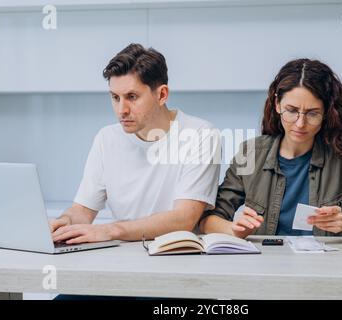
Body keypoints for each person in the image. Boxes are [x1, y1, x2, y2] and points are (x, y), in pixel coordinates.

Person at [199, 58, 342, 238]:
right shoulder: (250, 153)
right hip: (266, 269)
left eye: (312, 114)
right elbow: (208, 220)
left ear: (327, 112)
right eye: (292, 111)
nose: (300, 123)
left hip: (328, 269)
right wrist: (233, 229)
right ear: (277, 105)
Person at [49, 43, 220, 244]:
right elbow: (83, 211)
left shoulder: (200, 135)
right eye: (115, 98)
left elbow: (184, 218)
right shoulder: (106, 138)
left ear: (162, 95)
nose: (122, 110)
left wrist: (111, 230)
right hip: (125, 256)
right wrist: (64, 222)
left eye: (132, 97)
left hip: (179, 256)